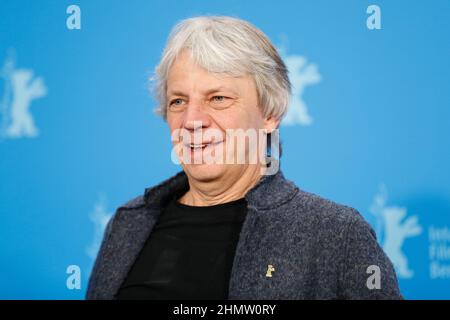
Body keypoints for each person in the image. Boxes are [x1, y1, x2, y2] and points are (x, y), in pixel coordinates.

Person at [86, 15, 402, 300]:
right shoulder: (129, 222)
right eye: (179, 101)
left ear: (270, 113)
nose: (192, 120)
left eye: (218, 98)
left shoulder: (336, 234)